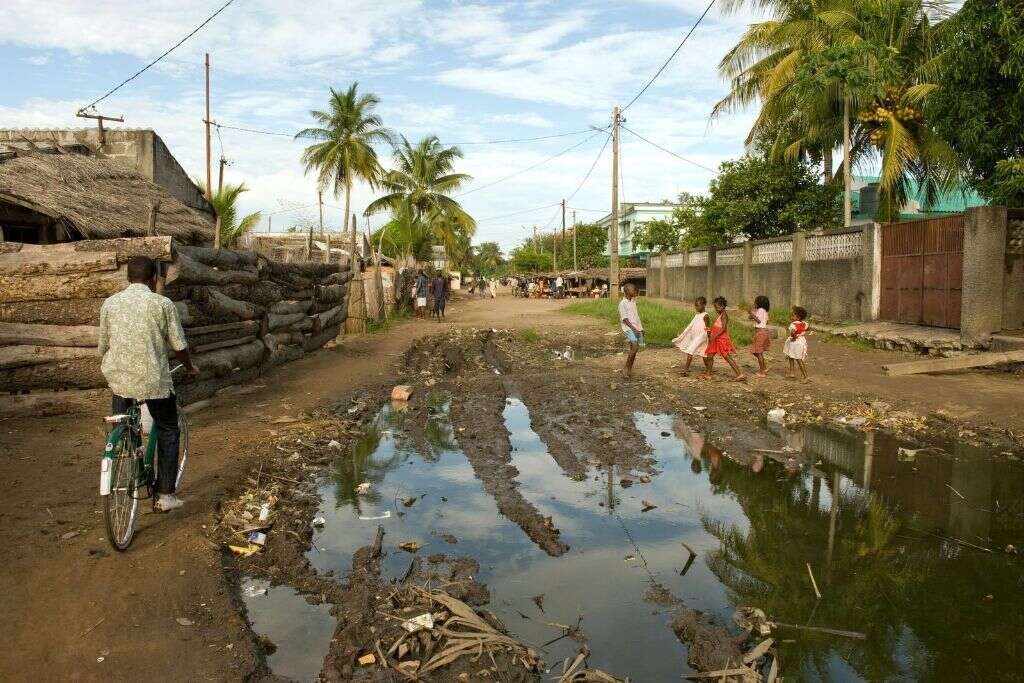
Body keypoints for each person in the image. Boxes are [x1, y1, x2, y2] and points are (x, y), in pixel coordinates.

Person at [98, 256, 199, 512]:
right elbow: (178, 345)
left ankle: (125, 452)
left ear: (127, 278)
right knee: (167, 428)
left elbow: (103, 346)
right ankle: (165, 496)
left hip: (119, 378)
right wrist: (189, 367)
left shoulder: (110, 304)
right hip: (153, 380)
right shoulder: (162, 303)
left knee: (123, 424)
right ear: (154, 279)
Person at [705, 296, 745, 381]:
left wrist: (714, 336)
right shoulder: (720, 315)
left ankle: (739, 374)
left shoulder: (724, 315)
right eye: (715, 307)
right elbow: (717, 326)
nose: (716, 309)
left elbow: (723, 328)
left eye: (717, 307)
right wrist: (710, 331)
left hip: (720, 340)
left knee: (727, 357)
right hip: (715, 339)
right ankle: (708, 374)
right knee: (710, 355)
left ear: (722, 306)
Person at [672, 296, 710, 376]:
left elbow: (708, 328)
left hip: (702, 337)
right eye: (695, 305)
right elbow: (690, 325)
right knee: (703, 354)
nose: (696, 307)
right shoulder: (697, 316)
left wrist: (709, 338)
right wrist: (684, 332)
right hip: (697, 337)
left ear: (703, 305)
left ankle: (685, 370)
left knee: (690, 350)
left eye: (697, 305)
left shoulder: (705, 315)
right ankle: (708, 370)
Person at [618, 283, 644, 379]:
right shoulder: (622, 303)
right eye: (633, 289)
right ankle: (625, 369)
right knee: (635, 347)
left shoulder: (633, 302)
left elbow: (636, 317)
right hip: (628, 328)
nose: (635, 291)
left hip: (636, 328)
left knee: (634, 349)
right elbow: (625, 319)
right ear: (627, 291)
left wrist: (641, 329)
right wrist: (633, 329)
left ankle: (629, 369)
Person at [784, 305, 810, 382]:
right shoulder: (804, 323)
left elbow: (792, 332)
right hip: (801, 341)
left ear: (798, 317)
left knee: (795, 358)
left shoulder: (793, 324)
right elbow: (807, 328)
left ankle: (806, 377)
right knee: (792, 356)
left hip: (795, 342)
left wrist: (794, 337)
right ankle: (792, 373)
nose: (791, 317)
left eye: (793, 315)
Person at [748, 295, 771, 378]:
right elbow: (766, 321)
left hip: (760, 332)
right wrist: (752, 316)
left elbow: (758, 321)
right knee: (756, 351)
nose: (754, 303)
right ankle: (764, 368)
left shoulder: (760, 310)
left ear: (758, 303)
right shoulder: (764, 311)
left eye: (755, 302)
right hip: (763, 332)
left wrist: (751, 313)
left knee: (758, 352)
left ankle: (762, 372)